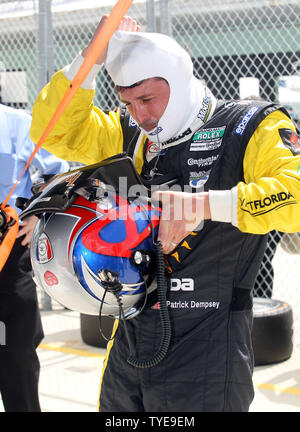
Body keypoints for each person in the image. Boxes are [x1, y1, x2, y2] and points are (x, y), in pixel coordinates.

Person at [29, 16, 300, 412]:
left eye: (147, 99)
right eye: (127, 102)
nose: (140, 114)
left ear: (178, 80)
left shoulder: (250, 125)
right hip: (131, 338)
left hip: (208, 343)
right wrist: (87, 63)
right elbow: (53, 132)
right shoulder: (128, 133)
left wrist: (208, 204)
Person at [0, 103, 69, 411]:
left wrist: (40, 213)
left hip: (7, 252)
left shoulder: (17, 124)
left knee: (18, 355)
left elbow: (60, 176)